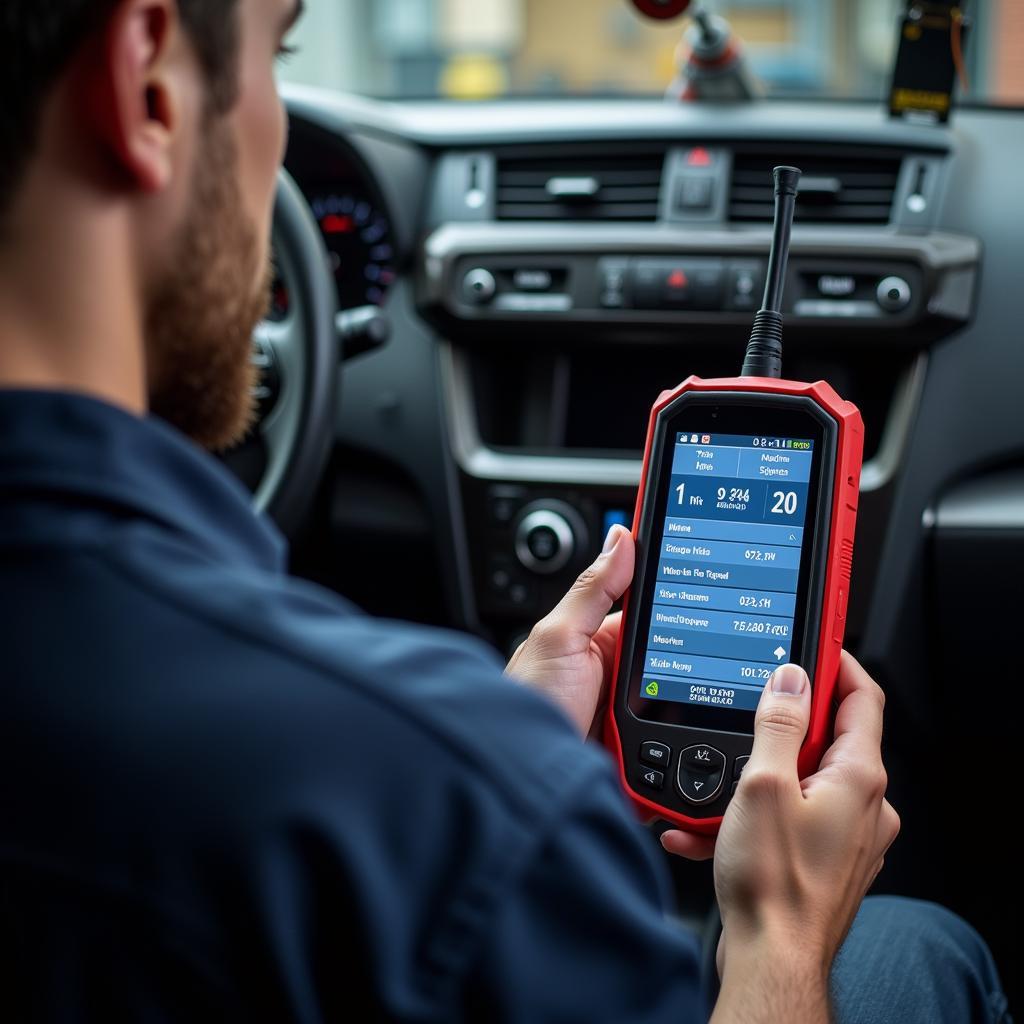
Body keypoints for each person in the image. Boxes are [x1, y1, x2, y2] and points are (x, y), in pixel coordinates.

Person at [0, 1, 1011, 1021]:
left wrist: (504, 745)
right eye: (280, 50)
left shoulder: (444, 792)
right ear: (149, 88)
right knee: (911, 946)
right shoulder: (460, 821)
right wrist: (777, 941)